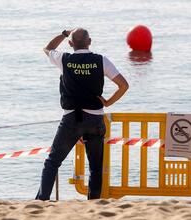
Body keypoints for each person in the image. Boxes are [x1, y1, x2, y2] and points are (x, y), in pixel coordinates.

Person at [36, 28, 129, 200]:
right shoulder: (101, 60)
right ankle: (93, 204)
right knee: (95, 167)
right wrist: (108, 102)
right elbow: (123, 85)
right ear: (90, 41)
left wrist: (64, 34)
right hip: (95, 118)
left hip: (71, 118)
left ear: (71, 44)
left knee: (52, 162)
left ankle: (41, 201)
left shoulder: (64, 59)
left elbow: (47, 48)